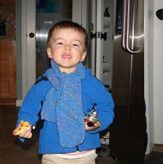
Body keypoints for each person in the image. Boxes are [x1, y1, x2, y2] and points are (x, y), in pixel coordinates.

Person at [12, 20, 114, 164]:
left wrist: (98, 122)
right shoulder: (43, 85)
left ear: (83, 55)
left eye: (75, 44)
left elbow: (106, 106)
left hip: (87, 152)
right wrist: (25, 125)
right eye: (60, 43)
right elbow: (29, 109)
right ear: (49, 51)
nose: (67, 47)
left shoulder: (93, 84)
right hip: (53, 154)